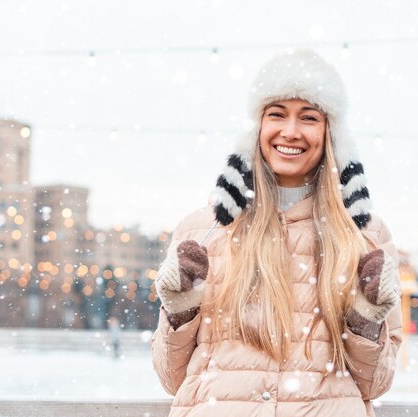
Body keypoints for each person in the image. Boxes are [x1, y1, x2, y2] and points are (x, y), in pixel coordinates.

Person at [151, 49, 402, 417]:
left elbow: (375, 384)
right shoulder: (203, 231)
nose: (290, 131)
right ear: (257, 127)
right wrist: (179, 309)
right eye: (277, 115)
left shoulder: (364, 235)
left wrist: (364, 319)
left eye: (309, 118)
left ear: (329, 133)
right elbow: (171, 379)